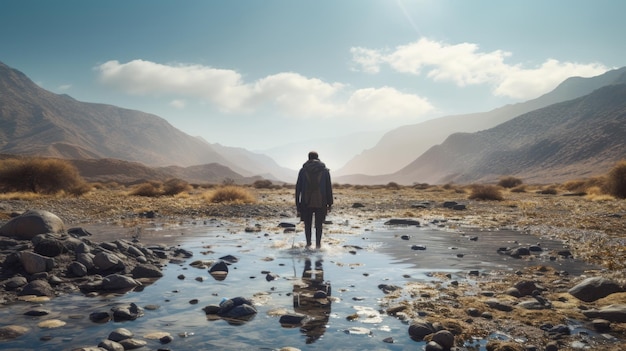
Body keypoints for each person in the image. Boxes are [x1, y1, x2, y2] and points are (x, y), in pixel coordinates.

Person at [295, 151, 333, 249]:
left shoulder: (303, 171)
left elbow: (298, 189)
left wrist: (298, 205)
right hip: (321, 201)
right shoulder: (325, 171)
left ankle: (308, 244)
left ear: (308, 158)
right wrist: (330, 203)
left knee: (307, 225)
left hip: (306, 201)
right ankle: (318, 245)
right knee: (319, 225)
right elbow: (329, 188)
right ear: (318, 157)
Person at [293, 258, 331, 343]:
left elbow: (295, 304)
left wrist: (295, 291)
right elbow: (328, 305)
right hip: (316, 289)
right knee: (315, 267)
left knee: (310, 267)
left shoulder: (304, 315)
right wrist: (328, 289)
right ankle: (316, 255)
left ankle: (311, 256)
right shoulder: (322, 319)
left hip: (307, 289)